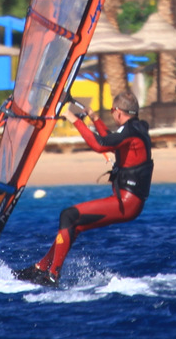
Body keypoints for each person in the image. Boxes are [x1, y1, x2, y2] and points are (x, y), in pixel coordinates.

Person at [16, 90, 153, 287]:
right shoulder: (135, 128)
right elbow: (111, 140)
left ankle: (52, 276)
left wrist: (73, 119)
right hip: (129, 201)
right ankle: (41, 267)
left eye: (112, 112)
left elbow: (100, 145)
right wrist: (95, 119)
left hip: (126, 202)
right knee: (75, 224)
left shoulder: (130, 131)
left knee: (68, 215)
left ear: (117, 112)